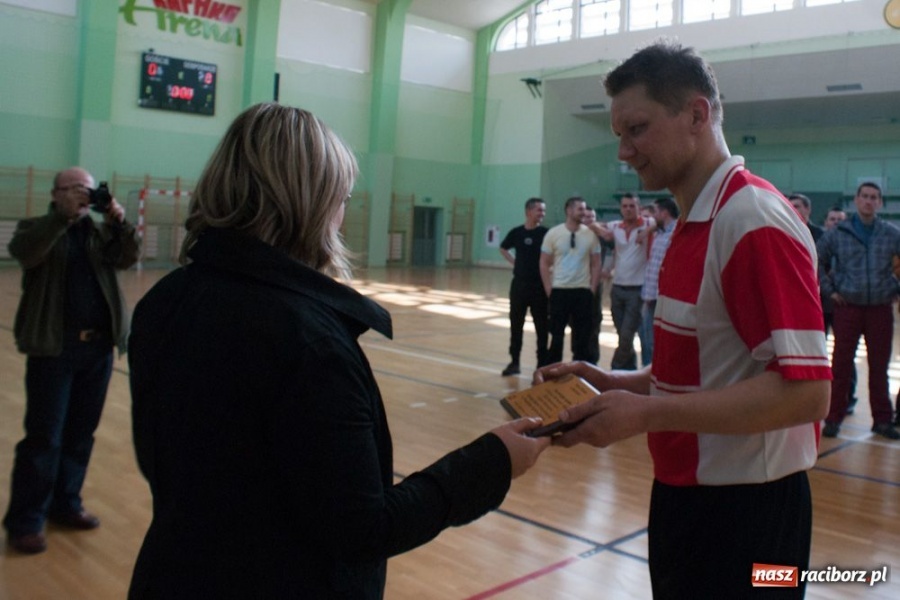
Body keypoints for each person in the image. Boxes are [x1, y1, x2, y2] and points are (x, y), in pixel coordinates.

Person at [126, 103, 550, 599]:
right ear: (311, 201)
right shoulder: (309, 342)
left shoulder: (166, 300)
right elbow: (364, 528)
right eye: (342, 197)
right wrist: (493, 460)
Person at [535, 42, 830, 598]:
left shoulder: (753, 221)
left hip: (747, 514)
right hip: (687, 496)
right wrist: (611, 382)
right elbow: (709, 370)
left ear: (696, 115)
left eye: (637, 129)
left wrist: (644, 414)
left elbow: (805, 395)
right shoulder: (695, 221)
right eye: (619, 134)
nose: (624, 151)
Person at [3, 168, 140, 555]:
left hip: (95, 350)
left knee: (81, 434)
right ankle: (26, 520)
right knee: (44, 437)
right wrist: (60, 219)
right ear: (56, 193)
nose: (84, 195)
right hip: (53, 348)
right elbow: (27, 253)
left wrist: (120, 221)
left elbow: (127, 257)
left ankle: (66, 503)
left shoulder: (99, 232)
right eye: (76, 189)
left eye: (89, 189)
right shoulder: (36, 227)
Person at [817, 181, 900, 440]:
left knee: (879, 367)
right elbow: (815, 260)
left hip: (880, 309)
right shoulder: (837, 232)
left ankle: (882, 420)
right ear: (856, 200)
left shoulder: (891, 233)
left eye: (874, 197)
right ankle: (833, 418)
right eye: (865, 196)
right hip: (847, 309)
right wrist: (830, 290)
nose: (869, 201)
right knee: (840, 365)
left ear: (880, 203)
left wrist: (897, 287)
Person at [589, 193, 655, 370]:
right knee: (622, 334)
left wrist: (646, 232)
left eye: (632, 206)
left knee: (626, 335)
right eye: (624, 206)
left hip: (638, 289)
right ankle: (630, 369)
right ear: (620, 209)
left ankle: (614, 370)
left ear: (639, 208)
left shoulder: (648, 224)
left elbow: (665, 222)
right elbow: (592, 224)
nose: (628, 209)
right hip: (617, 288)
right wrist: (601, 230)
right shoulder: (615, 226)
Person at [540, 196, 601, 364]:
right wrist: (548, 289)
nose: (584, 212)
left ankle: (579, 374)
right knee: (556, 336)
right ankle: (554, 370)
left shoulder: (590, 235)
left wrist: (592, 288)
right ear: (569, 210)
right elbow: (544, 262)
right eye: (580, 209)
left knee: (582, 337)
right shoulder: (553, 233)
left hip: (582, 291)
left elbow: (596, 263)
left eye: (584, 209)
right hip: (560, 290)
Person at [499, 198, 549, 375]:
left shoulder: (546, 233)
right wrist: (515, 262)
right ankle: (514, 362)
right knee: (516, 324)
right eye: (539, 210)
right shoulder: (517, 232)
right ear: (528, 211)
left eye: (543, 211)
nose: (542, 214)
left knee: (542, 327)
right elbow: (503, 247)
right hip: (519, 286)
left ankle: (541, 365)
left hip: (539, 287)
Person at [638, 197, 679, 367]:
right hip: (651, 295)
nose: (652, 217)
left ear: (664, 212)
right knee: (647, 340)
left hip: (664, 297)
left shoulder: (677, 232)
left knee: (657, 343)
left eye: (655, 212)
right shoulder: (659, 233)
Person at [581, 207, 612, 366]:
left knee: (594, 322)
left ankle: (593, 361)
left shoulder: (602, 236)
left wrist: (608, 268)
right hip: (575, 284)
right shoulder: (574, 234)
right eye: (585, 217)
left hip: (595, 285)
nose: (589, 220)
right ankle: (579, 358)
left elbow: (616, 246)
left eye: (591, 217)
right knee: (577, 323)